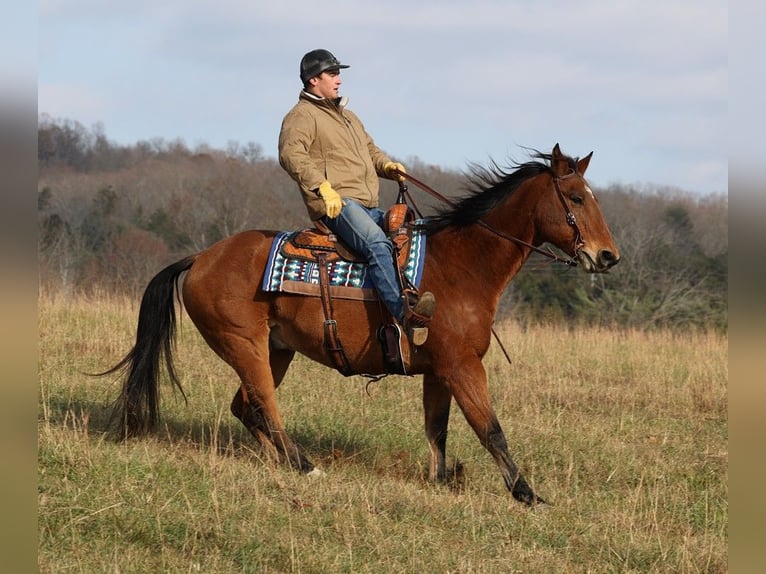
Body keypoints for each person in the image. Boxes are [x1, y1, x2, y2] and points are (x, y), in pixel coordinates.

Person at [278, 49, 435, 345]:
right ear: (314, 80)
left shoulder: (348, 117)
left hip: (366, 204)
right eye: (333, 73)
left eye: (339, 73)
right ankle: (404, 314)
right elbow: (291, 154)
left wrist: (387, 165)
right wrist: (322, 188)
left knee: (407, 232)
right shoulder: (301, 116)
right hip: (337, 204)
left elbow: (371, 151)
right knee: (377, 243)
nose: (339, 79)